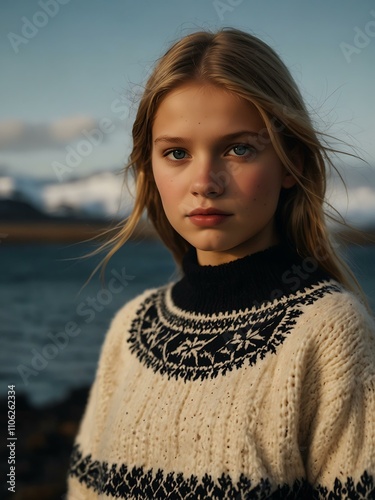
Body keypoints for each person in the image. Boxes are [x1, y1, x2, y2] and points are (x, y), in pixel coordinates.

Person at [67, 28, 375, 499]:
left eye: (239, 148)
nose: (205, 182)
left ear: (291, 163)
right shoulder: (131, 328)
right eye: (176, 153)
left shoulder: (329, 331)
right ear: (149, 167)